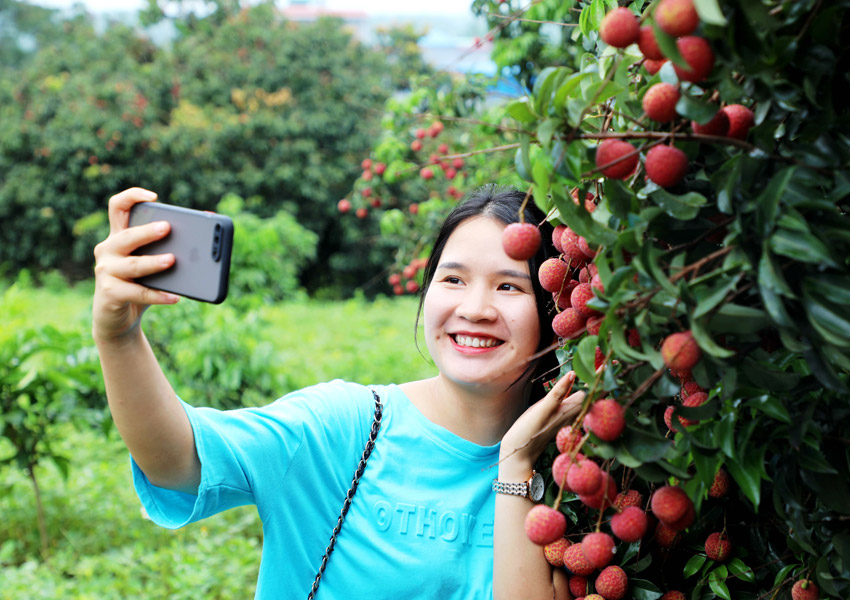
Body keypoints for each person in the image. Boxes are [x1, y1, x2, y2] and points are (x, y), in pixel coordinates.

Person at [92, 183, 585, 599]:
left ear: (554, 309)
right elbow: (178, 462)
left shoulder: (583, 472)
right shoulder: (344, 427)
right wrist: (118, 337)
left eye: (509, 287)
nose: (475, 308)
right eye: (452, 278)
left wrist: (516, 464)